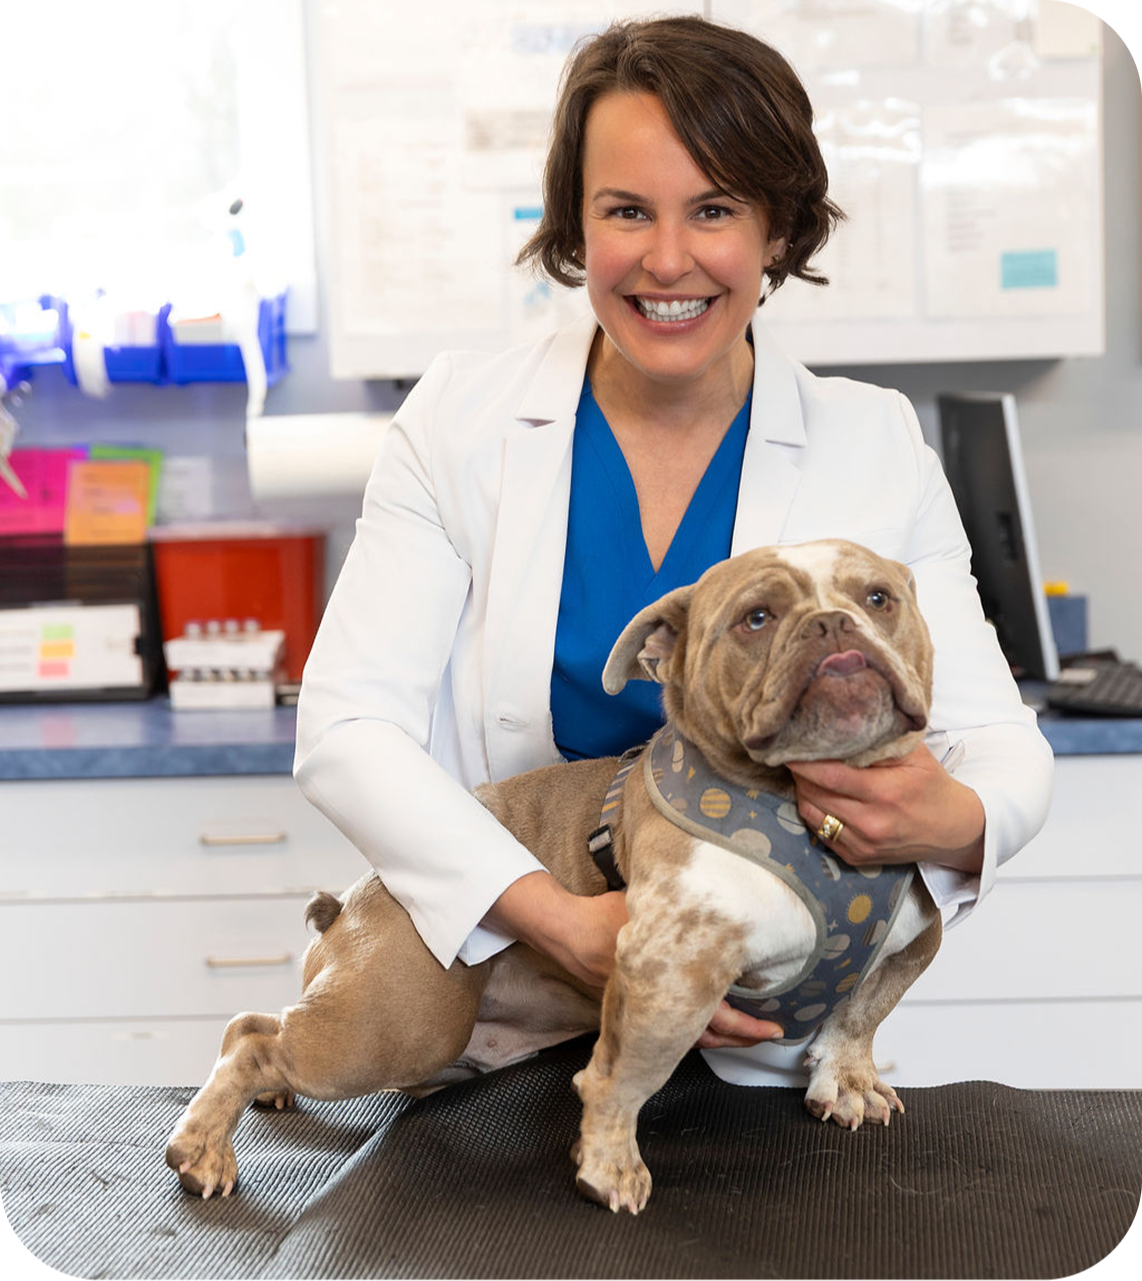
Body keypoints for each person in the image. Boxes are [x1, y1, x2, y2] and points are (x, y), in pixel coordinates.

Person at [294, 15, 1053, 1080]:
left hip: (760, 1041)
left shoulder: (871, 440)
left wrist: (957, 817)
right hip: (499, 1009)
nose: (665, 259)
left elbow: (1001, 745)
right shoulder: (461, 421)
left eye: (713, 209)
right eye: (625, 211)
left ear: (777, 230)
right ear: (576, 225)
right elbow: (347, 728)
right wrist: (558, 921)